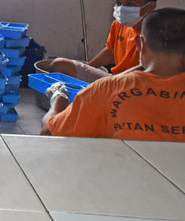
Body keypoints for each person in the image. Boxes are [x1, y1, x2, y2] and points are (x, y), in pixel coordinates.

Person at [42, 8, 185, 141]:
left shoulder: (105, 90)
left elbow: (49, 133)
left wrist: (58, 101)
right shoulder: (107, 87)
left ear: (139, 44)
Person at [50, 0, 159, 82]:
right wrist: (86, 69)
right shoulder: (118, 24)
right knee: (60, 65)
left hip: (136, 83)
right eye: (118, 3)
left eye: (130, 3)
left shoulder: (155, 33)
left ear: (150, 6)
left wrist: (112, 83)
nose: (122, 8)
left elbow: (147, 68)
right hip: (113, 79)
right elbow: (110, 52)